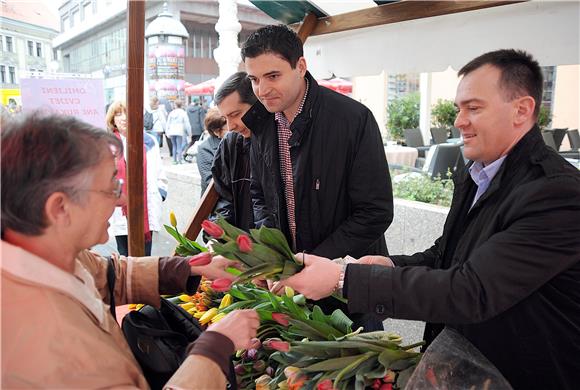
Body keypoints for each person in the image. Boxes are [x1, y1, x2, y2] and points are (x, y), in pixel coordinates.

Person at [274, 49, 580, 390]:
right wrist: (390, 265)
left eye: (473, 108)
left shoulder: (556, 193)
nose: (459, 121)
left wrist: (344, 279)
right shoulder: (478, 172)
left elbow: (472, 289)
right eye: (459, 109)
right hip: (471, 368)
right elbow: (448, 255)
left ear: (522, 110)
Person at [1, 112, 260, 389]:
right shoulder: (45, 339)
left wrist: (190, 267)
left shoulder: (43, 252)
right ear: (60, 208)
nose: (121, 198)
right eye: (111, 187)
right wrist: (214, 348)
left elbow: (108, 273)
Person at [241, 25, 393, 330]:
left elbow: (375, 211)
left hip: (347, 279)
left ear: (301, 66)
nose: (262, 90)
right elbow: (260, 194)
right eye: (254, 80)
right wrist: (273, 254)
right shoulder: (260, 122)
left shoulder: (352, 119)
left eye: (273, 76)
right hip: (291, 282)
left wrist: (310, 262)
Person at [105, 101, 168, 256]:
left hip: (146, 206)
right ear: (113, 120)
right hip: (120, 210)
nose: (124, 117)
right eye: (119, 114)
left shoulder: (149, 141)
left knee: (145, 256)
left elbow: (160, 174)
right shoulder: (107, 145)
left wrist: (160, 194)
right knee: (124, 256)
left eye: (127, 112)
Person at [211, 71, 256, 232]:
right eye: (225, 118)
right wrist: (220, 236)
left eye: (235, 115)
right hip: (241, 246)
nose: (230, 126)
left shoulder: (280, 138)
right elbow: (224, 198)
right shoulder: (231, 143)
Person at [196, 107, 228, 197]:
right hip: (217, 205)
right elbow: (210, 181)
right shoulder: (205, 149)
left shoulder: (238, 140)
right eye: (228, 128)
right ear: (216, 131)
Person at [166, 99, 191, 164]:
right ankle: (179, 160)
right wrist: (189, 133)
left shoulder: (171, 113)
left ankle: (174, 160)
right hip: (179, 131)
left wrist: (167, 132)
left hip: (172, 130)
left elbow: (168, 123)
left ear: (175, 105)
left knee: (174, 145)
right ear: (181, 105)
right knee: (179, 146)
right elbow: (187, 123)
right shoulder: (183, 112)